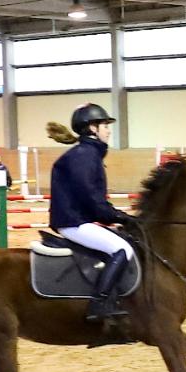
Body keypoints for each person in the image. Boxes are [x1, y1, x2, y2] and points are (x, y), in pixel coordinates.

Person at [48, 103, 140, 334]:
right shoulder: (85, 155)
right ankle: (99, 304)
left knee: (121, 241)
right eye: (105, 125)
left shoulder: (87, 153)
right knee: (122, 249)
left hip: (77, 219)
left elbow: (92, 198)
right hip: (73, 222)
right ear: (92, 128)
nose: (108, 130)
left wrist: (115, 217)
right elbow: (90, 196)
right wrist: (117, 216)